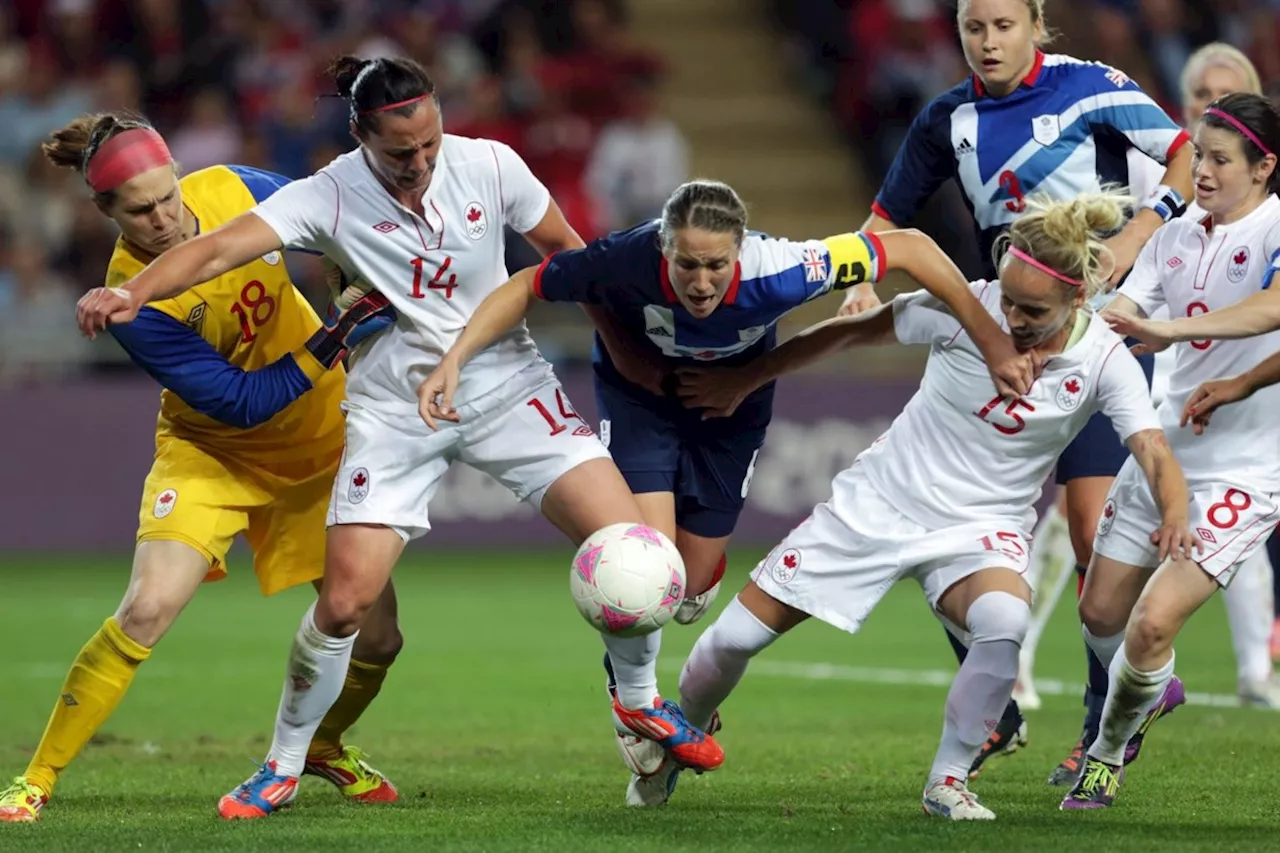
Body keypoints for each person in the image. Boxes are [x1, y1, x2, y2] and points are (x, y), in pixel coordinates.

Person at [73, 56, 722, 821]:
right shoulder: (327, 194)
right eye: (398, 153)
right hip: (391, 406)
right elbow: (213, 248)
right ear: (360, 136)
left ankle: (638, 702)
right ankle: (281, 763)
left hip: (507, 382)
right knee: (346, 604)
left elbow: (567, 253)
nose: (418, 164)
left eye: (428, 145)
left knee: (635, 547)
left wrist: (622, 337)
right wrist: (132, 290)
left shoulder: (490, 164)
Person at [416, 179, 1033, 803]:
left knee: (690, 582)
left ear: (742, 249)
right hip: (642, 402)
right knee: (645, 562)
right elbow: (527, 284)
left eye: (716, 264)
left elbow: (910, 247)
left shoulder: (788, 269)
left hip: (732, 406)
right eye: (687, 263)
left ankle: (683, 606)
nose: (702, 281)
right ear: (664, 248)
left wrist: (990, 338)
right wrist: (456, 359)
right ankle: (633, 703)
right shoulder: (625, 258)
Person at [668, 190, 1193, 819]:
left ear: (1078, 299)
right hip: (879, 504)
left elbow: (1153, 448)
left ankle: (948, 781)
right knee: (730, 643)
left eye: (1032, 310)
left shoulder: (1104, 358)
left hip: (981, 528)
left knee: (1003, 622)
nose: (1012, 317)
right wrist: (745, 378)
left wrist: (1175, 511)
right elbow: (850, 333)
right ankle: (674, 742)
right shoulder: (964, 310)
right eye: (1008, 297)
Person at [0, 113, 403, 824]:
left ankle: (325, 744)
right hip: (213, 453)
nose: (163, 218)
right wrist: (337, 330)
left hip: (321, 446)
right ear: (106, 214)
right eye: (140, 210)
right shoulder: (133, 299)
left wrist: (358, 270)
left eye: (167, 195)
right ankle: (34, 779)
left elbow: (338, 222)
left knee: (379, 636)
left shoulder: (236, 187)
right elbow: (242, 403)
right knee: (147, 607)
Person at [835, 0, 1196, 780]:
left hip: (1087, 344)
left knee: (1096, 537)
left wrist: (1136, 234)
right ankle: (997, 715)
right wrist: (863, 281)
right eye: (973, 28)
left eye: (1003, 25)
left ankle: (1112, 718)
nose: (988, 42)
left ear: (1036, 25)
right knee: (943, 528)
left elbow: (1186, 153)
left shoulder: (1092, 87)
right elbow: (885, 214)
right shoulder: (947, 117)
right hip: (1006, 349)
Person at [1019, 42, 1278, 780]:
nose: (1202, 170)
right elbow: (1125, 308)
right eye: (1198, 154)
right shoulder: (1174, 231)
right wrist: (1055, 336)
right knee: (1099, 613)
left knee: (1153, 621)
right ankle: (1149, 694)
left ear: (1263, 168)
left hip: (1247, 470)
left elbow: (1274, 308)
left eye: (1222, 160)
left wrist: (1170, 334)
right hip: (1171, 448)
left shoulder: (1277, 227)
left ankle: (1105, 751)